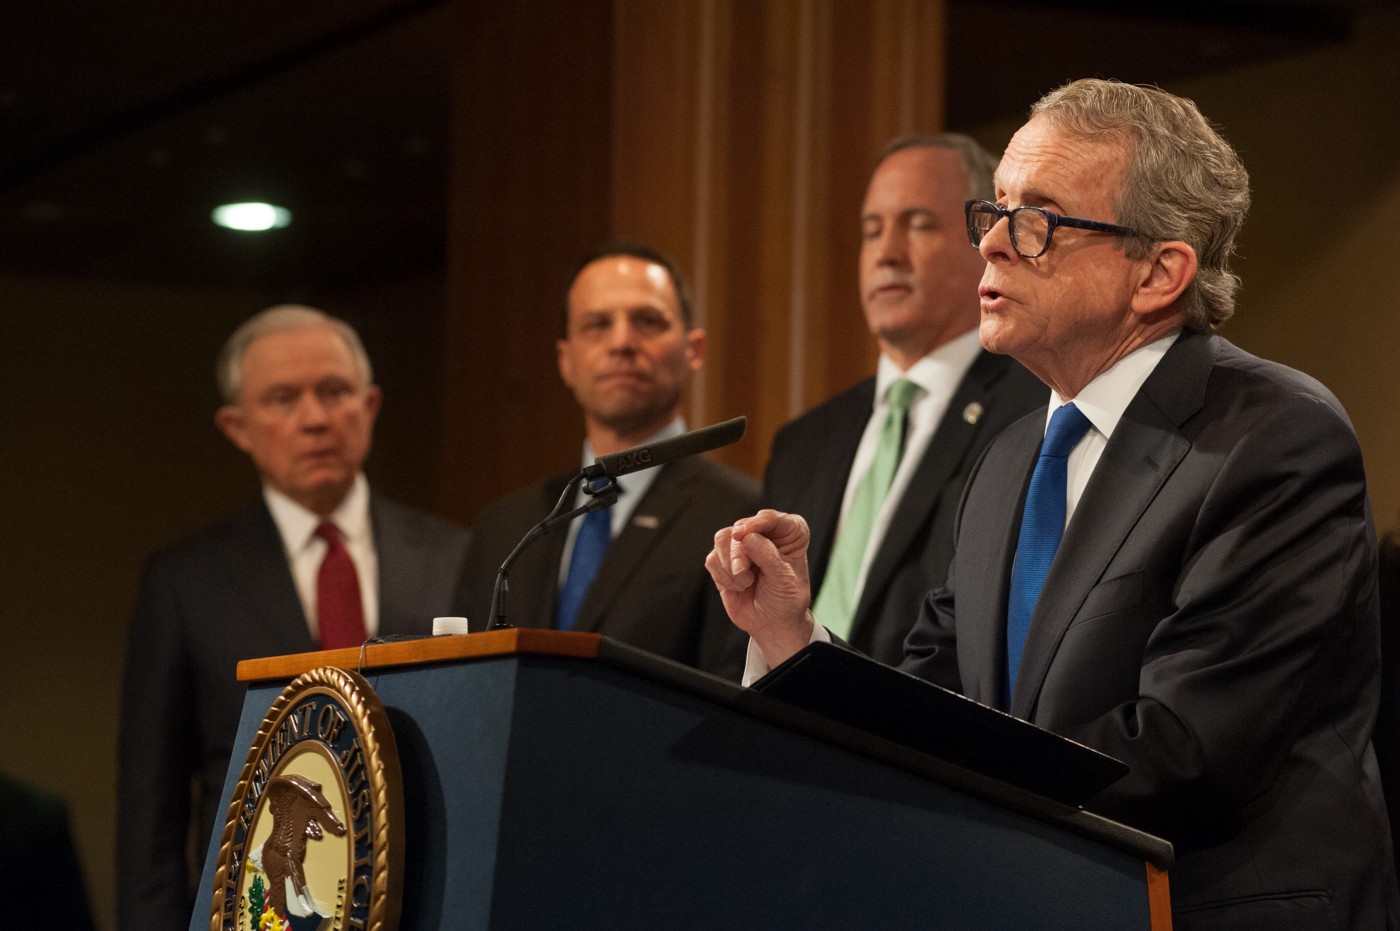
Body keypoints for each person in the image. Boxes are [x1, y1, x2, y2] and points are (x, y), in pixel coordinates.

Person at [708, 79, 1399, 929]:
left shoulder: (1274, 439)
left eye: (1037, 219)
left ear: (1158, 273)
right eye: (994, 210)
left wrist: (959, 779)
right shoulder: (1005, 462)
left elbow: (1186, 750)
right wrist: (791, 637)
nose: (992, 245)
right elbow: (931, 702)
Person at [118, 305, 471, 931]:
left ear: (370, 405)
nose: (315, 419)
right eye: (283, 399)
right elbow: (151, 815)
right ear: (237, 426)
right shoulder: (184, 581)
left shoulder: (459, 556)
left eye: (334, 393)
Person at [763, 133, 1044, 664]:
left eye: (917, 225)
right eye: (873, 231)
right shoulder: (804, 442)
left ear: (984, 239)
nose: (887, 253)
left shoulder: (1033, 413)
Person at [462, 241, 757, 678]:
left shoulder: (740, 516)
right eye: (598, 324)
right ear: (566, 360)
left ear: (694, 349)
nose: (622, 342)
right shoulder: (505, 528)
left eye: (648, 321)